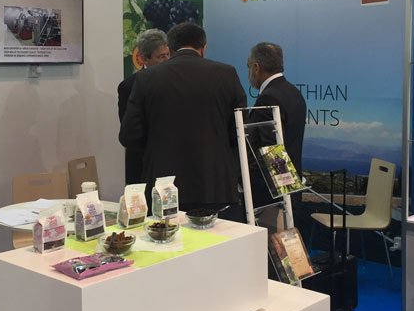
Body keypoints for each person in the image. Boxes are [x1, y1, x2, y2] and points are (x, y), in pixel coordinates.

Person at [119, 22, 246, 216]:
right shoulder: (226, 74)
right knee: (217, 233)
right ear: (203, 47)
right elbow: (239, 128)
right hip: (214, 182)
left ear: (170, 48)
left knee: (167, 234)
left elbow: (129, 136)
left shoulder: (146, 78)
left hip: (164, 185)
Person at [245, 42, 307, 211]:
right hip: (290, 189)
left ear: (256, 68)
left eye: (248, 66)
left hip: (271, 197)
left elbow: (269, 151)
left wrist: (242, 182)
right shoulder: (294, 93)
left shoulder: (268, 98)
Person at [117, 29, 170, 183]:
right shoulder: (129, 86)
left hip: (171, 161)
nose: (167, 60)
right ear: (144, 59)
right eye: (161, 57)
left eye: (168, 55)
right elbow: (130, 131)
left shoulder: (175, 82)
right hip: (142, 164)